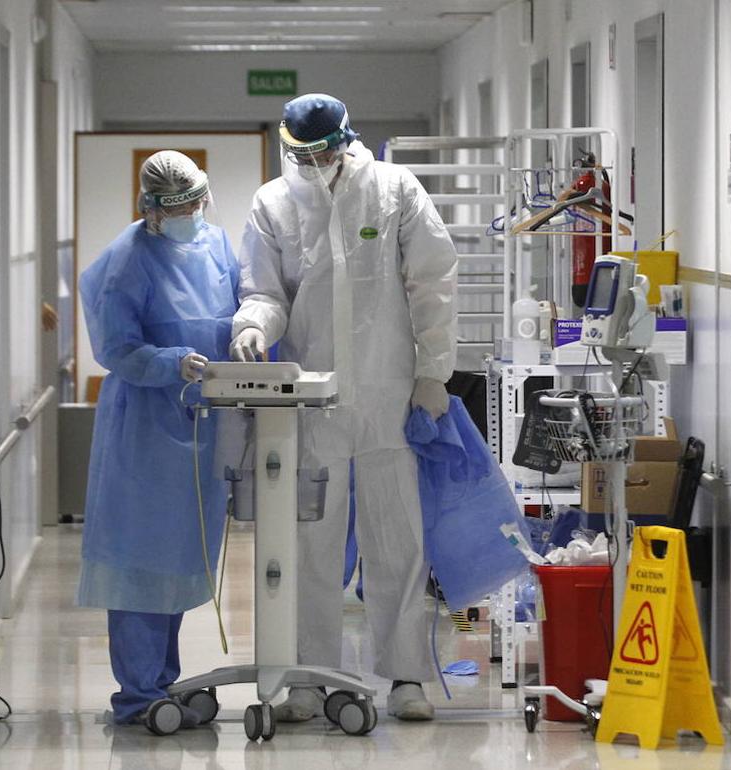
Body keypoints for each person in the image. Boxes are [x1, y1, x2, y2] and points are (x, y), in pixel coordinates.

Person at [230, 93, 458, 722]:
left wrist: (434, 371)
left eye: (319, 153)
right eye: (298, 154)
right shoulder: (273, 202)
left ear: (343, 141)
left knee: (398, 539)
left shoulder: (393, 189)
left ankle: (406, 676)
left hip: (389, 391)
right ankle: (308, 676)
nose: (310, 165)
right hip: (314, 396)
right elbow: (265, 289)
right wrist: (253, 323)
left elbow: (431, 282)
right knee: (310, 542)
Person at [77, 151, 239, 732]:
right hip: (144, 430)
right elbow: (116, 349)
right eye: (182, 207)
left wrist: (249, 335)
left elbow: (241, 306)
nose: (194, 214)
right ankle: (138, 693)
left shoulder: (217, 246)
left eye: (197, 203)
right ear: (152, 210)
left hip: (201, 427)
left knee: (176, 559)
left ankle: (162, 683)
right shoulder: (124, 263)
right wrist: (173, 363)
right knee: (140, 562)